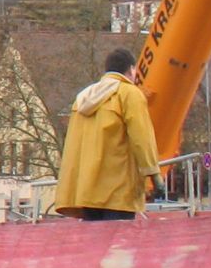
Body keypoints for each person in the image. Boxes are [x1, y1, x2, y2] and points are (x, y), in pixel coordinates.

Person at [53, 48, 162, 220]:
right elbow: (142, 139)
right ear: (131, 69)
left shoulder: (84, 97)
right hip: (118, 192)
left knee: (94, 245)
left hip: (86, 191)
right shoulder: (129, 94)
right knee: (118, 244)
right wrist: (154, 174)